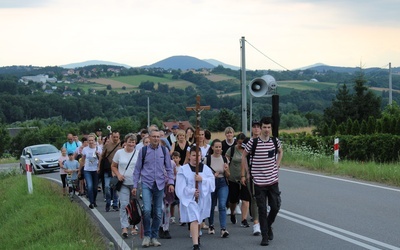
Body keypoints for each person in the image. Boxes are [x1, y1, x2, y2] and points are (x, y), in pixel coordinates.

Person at [241, 117, 283, 246]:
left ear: (271, 128)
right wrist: (247, 172)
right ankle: (264, 236)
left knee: (275, 206)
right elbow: (244, 156)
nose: (266, 130)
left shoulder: (275, 141)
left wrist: (277, 165)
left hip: (273, 180)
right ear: (261, 128)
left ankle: (268, 225)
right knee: (262, 209)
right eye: (264, 127)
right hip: (258, 182)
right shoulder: (253, 143)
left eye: (268, 127)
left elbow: (280, 152)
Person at [132, 129, 175, 247]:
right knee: (146, 210)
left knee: (158, 212)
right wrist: (135, 185)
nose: (156, 139)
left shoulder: (164, 150)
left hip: (160, 183)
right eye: (154, 137)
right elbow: (137, 169)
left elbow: (169, 168)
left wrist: (171, 183)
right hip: (146, 183)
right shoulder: (143, 151)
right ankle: (147, 235)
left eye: (158, 137)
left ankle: (154, 236)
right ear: (149, 138)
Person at [176, 146, 215, 250]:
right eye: (193, 155)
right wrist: (192, 192)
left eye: (198, 155)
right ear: (189, 156)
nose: (195, 158)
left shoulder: (206, 169)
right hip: (189, 200)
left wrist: (202, 179)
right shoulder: (183, 170)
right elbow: (180, 187)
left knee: (199, 219)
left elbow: (212, 184)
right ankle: (195, 245)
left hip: (202, 199)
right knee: (194, 218)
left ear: (201, 156)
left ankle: (196, 236)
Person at [111, 133, 139, 238]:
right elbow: (113, 166)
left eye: (133, 142)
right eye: (130, 141)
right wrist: (118, 174)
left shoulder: (138, 153)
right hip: (123, 183)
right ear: (125, 142)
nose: (131, 144)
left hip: (135, 183)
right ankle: (124, 227)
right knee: (124, 204)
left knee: (134, 205)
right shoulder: (119, 153)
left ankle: (133, 225)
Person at [204, 139, 230, 238]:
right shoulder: (207, 159)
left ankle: (223, 229)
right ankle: (211, 225)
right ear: (212, 147)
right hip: (211, 183)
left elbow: (228, 175)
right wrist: (212, 176)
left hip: (223, 183)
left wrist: (226, 170)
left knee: (222, 205)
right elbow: (204, 174)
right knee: (211, 205)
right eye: (216, 147)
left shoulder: (225, 159)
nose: (218, 149)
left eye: (220, 147)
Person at [226, 133, 251, 227]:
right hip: (233, 178)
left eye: (243, 143)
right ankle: (232, 212)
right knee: (233, 200)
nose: (241, 145)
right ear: (236, 142)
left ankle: (244, 219)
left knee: (245, 199)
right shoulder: (231, 150)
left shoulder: (248, 151)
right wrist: (227, 172)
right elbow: (226, 162)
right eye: (239, 143)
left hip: (245, 179)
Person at [100, 131, 122, 212]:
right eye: (114, 137)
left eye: (117, 137)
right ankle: (108, 202)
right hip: (107, 169)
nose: (115, 138)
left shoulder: (121, 146)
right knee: (107, 186)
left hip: (117, 170)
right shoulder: (107, 145)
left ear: (119, 137)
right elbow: (102, 156)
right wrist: (99, 166)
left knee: (115, 187)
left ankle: (115, 204)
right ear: (111, 137)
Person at [79, 134, 102, 209]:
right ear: (87, 141)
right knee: (89, 186)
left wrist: (99, 166)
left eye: (92, 140)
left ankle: (94, 200)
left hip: (95, 170)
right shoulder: (85, 149)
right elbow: (82, 160)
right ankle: (91, 202)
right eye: (89, 140)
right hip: (87, 170)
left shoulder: (98, 148)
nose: (91, 142)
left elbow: (101, 160)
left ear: (94, 141)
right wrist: (80, 170)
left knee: (95, 187)